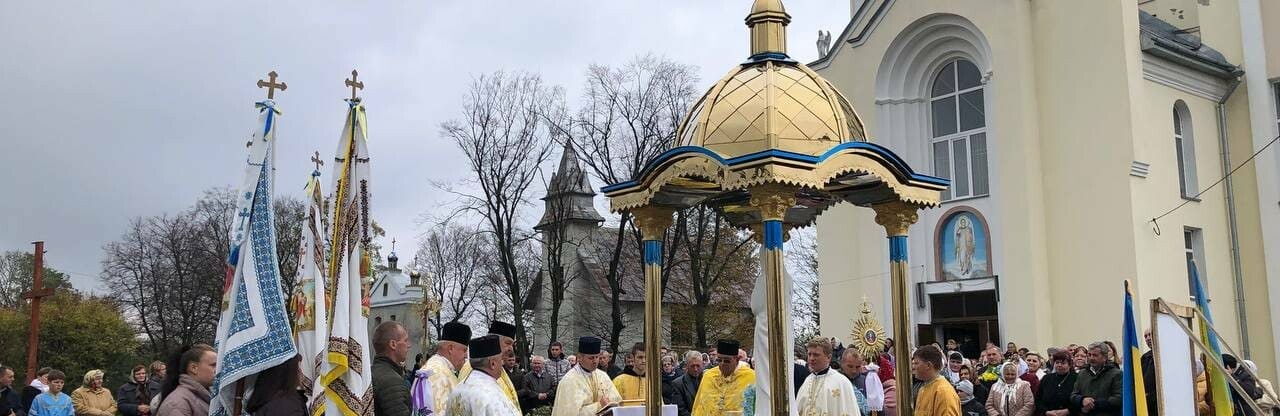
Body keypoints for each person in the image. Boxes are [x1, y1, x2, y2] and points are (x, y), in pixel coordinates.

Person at [457, 321, 523, 414]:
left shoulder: (498, 367)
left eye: (512, 344)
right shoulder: (475, 368)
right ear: (494, 340)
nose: (511, 348)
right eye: (507, 343)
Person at [551, 336, 621, 416]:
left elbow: (616, 401)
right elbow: (569, 413)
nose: (595, 361)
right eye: (591, 358)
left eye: (597, 357)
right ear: (580, 357)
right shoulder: (569, 381)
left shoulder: (603, 376)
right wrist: (598, 406)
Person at [797, 337, 861, 415]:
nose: (811, 358)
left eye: (816, 355)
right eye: (809, 354)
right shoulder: (807, 381)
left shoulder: (841, 382)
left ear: (829, 357)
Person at [418, 321, 471, 415]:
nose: (466, 356)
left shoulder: (434, 366)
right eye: (464, 350)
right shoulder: (439, 375)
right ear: (450, 348)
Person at [691, 340, 756, 416]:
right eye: (719, 360)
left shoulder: (751, 377)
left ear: (737, 359)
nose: (722, 364)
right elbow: (699, 406)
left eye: (727, 361)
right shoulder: (709, 376)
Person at [156, 344, 215, 416]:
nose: (218, 370)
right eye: (213, 365)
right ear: (194, 368)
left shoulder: (205, 396)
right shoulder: (177, 404)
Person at [371, 321, 413, 416]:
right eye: (405, 340)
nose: (409, 345)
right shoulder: (392, 381)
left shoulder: (370, 373)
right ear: (393, 344)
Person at [1070, 342, 1122, 416]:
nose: (1091, 358)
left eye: (1095, 355)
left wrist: (1093, 404)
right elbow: (1073, 395)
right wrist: (1082, 400)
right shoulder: (1082, 373)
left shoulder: (1116, 374)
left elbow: (1118, 399)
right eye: (1089, 355)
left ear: (1104, 357)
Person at [911, 345, 960, 416]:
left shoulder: (943, 392)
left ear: (928, 365)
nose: (913, 367)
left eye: (916, 363)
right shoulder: (923, 389)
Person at [1036, 351, 1076, 416]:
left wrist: (1068, 411)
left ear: (1069, 364)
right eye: (1057, 362)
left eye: (1063, 363)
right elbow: (1038, 399)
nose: (1059, 365)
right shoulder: (1047, 378)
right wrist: (1046, 412)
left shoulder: (1076, 378)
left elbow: (1079, 400)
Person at [669, 350, 704, 416]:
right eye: (692, 366)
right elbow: (680, 410)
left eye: (698, 365)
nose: (695, 369)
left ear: (702, 364)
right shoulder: (677, 384)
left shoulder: (708, 380)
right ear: (687, 365)